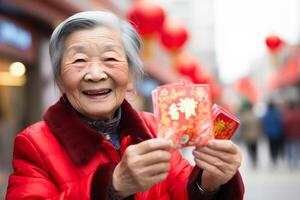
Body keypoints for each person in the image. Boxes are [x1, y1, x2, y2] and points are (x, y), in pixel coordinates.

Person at [6, 11, 244, 199]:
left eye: (110, 59)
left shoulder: (155, 128)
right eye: (79, 60)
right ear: (59, 78)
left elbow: (181, 191)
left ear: (131, 77)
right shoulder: (33, 143)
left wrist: (208, 185)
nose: (96, 74)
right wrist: (112, 187)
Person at [261, 100, 284, 166]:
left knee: (271, 146)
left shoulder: (266, 114)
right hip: (277, 133)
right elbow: (280, 123)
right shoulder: (277, 114)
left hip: (269, 134)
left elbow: (264, 124)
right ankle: (275, 157)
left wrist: (264, 132)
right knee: (276, 146)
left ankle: (273, 158)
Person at [239, 101, 261, 168]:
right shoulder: (255, 116)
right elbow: (259, 126)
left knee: (249, 149)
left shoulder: (245, 116)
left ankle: (252, 161)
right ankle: (255, 161)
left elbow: (242, 127)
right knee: (255, 149)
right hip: (255, 136)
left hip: (247, 136)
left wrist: (242, 135)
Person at [282, 101, 300, 169]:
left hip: (289, 135)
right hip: (297, 134)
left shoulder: (287, 115)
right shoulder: (298, 115)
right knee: (296, 148)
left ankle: (290, 162)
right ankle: (295, 161)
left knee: (290, 149)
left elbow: (284, 125)